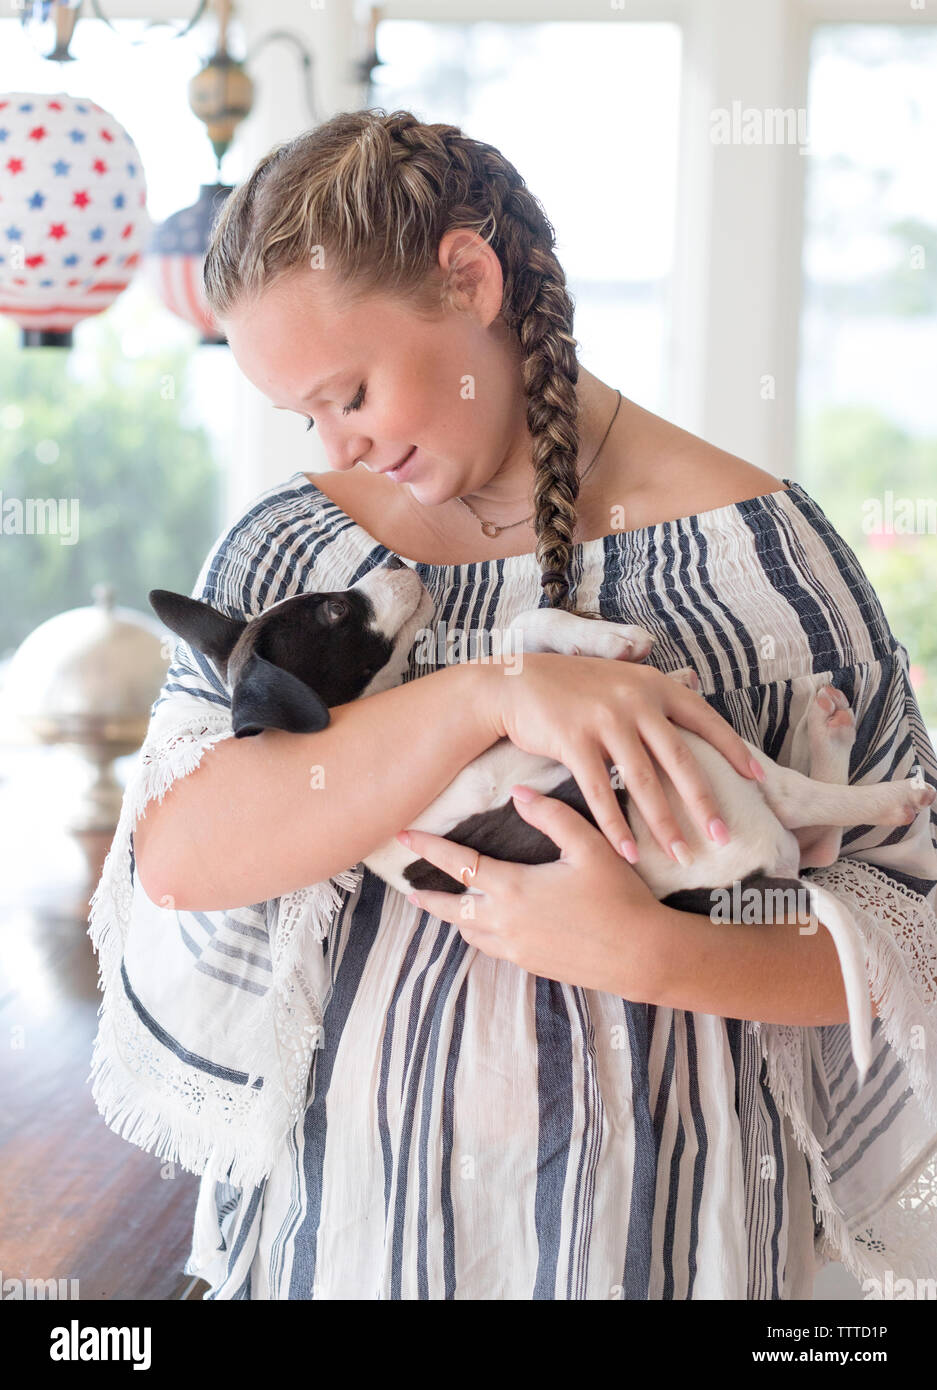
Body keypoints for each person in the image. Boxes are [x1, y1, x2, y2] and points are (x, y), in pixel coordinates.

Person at [88, 109, 937, 1299]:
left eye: (353, 392)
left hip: (656, 1240)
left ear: (470, 279)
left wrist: (655, 951)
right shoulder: (291, 548)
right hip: (342, 1235)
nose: (340, 442)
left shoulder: (769, 562)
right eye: (309, 418)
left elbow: (916, 931)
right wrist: (492, 694)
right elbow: (181, 855)